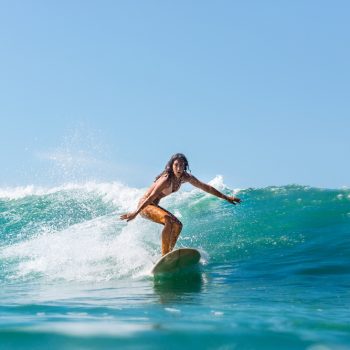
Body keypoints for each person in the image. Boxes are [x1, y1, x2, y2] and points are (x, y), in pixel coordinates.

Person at [120, 153, 241, 256]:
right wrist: (135, 213)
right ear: (171, 166)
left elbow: (206, 187)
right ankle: (164, 254)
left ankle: (169, 254)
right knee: (168, 219)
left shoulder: (185, 177)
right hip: (145, 206)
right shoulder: (166, 179)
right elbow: (151, 196)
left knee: (178, 225)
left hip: (154, 207)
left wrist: (226, 197)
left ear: (185, 166)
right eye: (176, 165)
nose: (179, 167)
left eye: (182, 165)